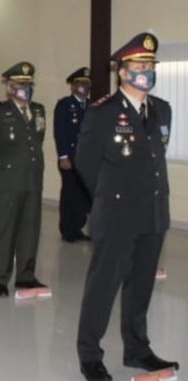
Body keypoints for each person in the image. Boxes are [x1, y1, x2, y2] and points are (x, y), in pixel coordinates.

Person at [76, 32, 178, 381]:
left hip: (153, 214)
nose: (146, 71)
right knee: (102, 288)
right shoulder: (103, 112)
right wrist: (109, 199)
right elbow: (85, 164)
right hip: (117, 215)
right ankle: (90, 355)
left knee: (141, 288)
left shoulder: (162, 108)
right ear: (122, 71)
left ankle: (137, 349)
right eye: (139, 65)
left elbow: (154, 160)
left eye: (150, 65)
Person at [0, 62, 47, 297]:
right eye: (19, 84)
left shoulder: (38, 110)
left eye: (28, 84)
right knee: (4, 230)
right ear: (9, 87)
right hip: (6, 182)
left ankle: (26, 276)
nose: (24, 88)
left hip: (32, 180)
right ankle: (0, 278)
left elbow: (36, 140)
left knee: (30, 229)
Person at [54, 67, 92, 243]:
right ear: (72, 86)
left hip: (86, 159)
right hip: (69, 158)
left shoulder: (92, 106)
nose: (84, 86)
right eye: (80, 83)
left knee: (84, 196)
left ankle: (78, 228)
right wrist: (63, 156)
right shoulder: (65, 105)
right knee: (70, 194)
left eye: (86, 83)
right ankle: (67, 230)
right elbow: (60, 132)